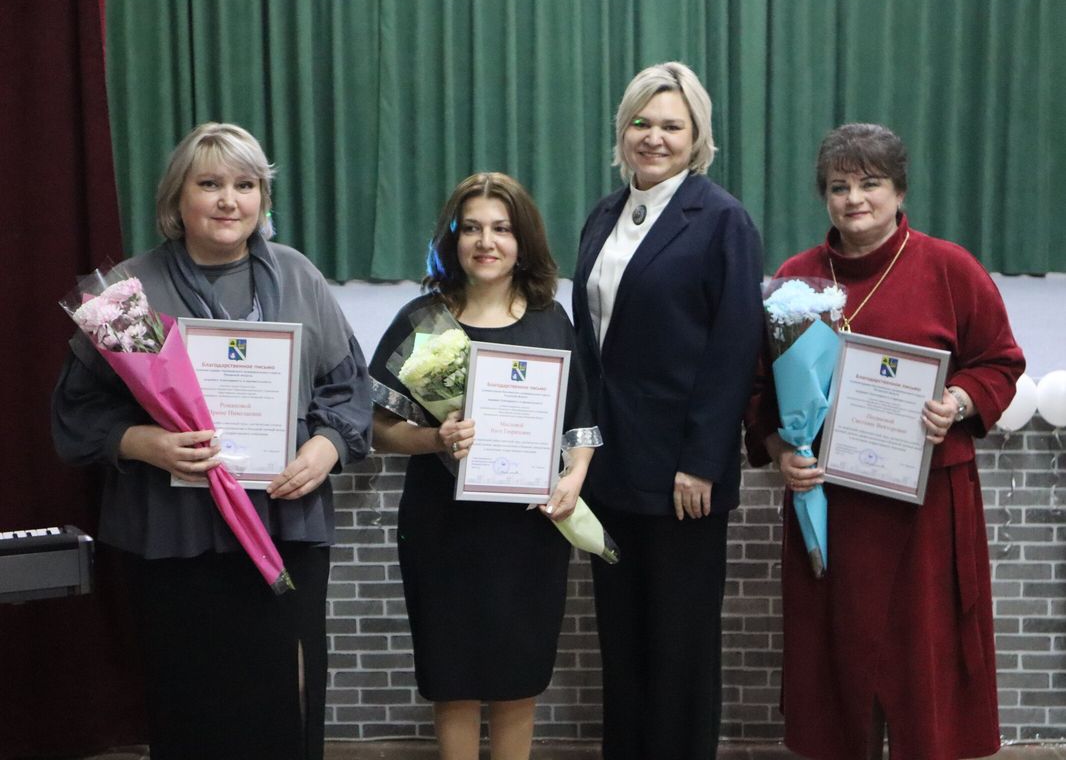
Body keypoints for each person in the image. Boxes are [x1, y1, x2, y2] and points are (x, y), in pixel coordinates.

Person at [52, 122, 373, 760]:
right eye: (210, 184)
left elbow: (348, 391)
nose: (229, 200)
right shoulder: (128, 294)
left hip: (284, 524)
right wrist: (143, 442)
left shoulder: (299, 276)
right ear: (178, 198)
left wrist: (326, 448)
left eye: (246, 185)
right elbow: (76, 414)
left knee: (285, 701)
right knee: (191, 700)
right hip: (173, 532)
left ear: (263, 200)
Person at [744, 123, 1025, 760]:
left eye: (870, 183)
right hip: (830, 508)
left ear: (899, 191)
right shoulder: (795, 282)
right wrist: (782, 454)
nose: (854, 199)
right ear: (823, 196)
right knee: (838, 680)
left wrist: (957, 402)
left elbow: (1000, 362)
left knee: (925, 679)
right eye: (838, 187)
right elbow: (759, 390)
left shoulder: (949, 268)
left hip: (925, 513)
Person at [369, 172, 601, 760]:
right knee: (452, 675)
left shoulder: (552, 320)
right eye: (471, 228)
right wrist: (435, 438)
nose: (486, 242)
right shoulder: (422, 321)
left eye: (501, 229)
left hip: (527, 529)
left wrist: (574, 478)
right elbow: (377, 430)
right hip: (442, 527)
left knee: (519, 673)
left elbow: (580, 425)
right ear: (453, 240)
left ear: (524, 241)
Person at [571, 61, 764, 759]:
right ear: (622, 131)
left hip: (683, 477)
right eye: (641, 123)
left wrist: (702, 461)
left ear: (697, 137)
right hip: (609, 468)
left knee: (679, 648)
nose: (653, 137)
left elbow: (734, 348)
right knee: (621, 643)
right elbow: (592, 347)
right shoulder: (603, 215)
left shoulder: (723, 220)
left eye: (671, 126)